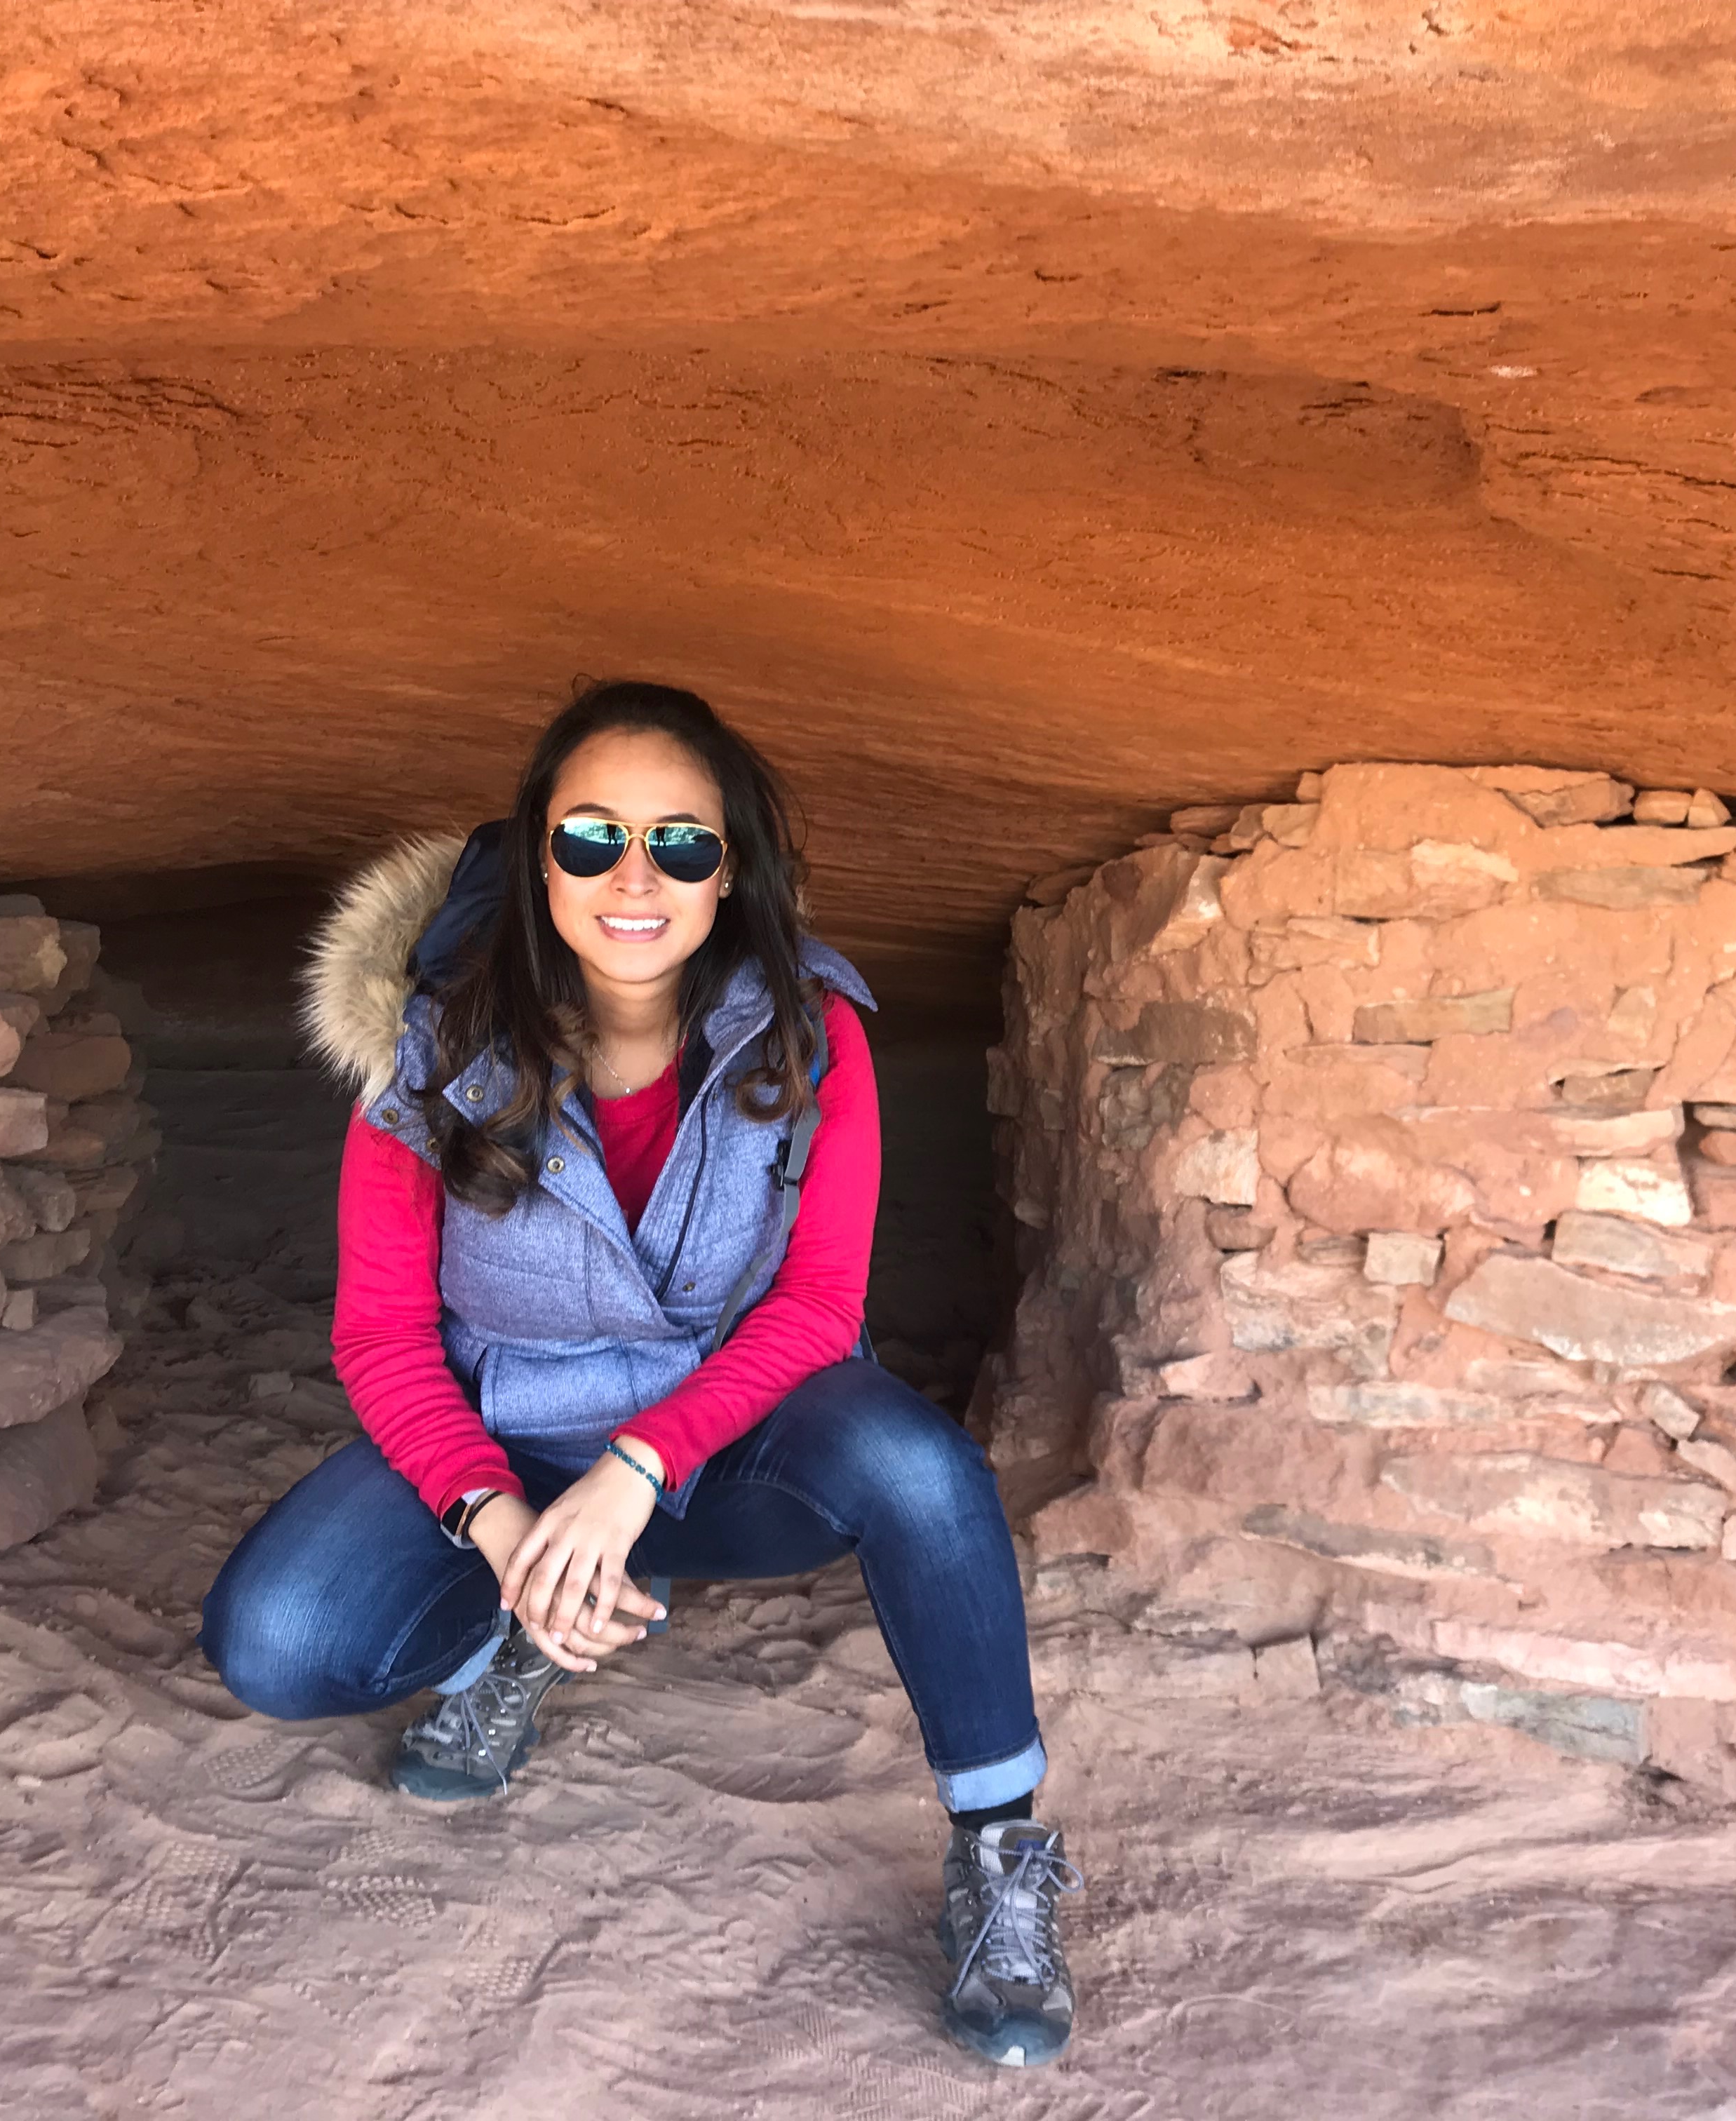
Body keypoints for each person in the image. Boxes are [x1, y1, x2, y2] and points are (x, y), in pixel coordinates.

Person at [199, 680, 1079, 2068]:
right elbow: (378, 1334)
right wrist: (499, 1522)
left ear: (728, 873)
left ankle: (998, 1851)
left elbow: (815, 1306)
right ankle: (521, 1629)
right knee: (278, 1644)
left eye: (679, 844)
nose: (633, 876)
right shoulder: (430, 1058)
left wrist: (636, 1468)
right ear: (537, 855)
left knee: (918, 1466)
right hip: (515, 1436)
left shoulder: (808, 1031)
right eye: (590, 837)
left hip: (730, 1445)